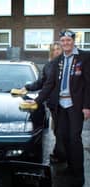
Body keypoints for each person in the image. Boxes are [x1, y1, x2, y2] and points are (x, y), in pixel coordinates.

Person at [31, 29, 90, 187]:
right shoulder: (58, 61)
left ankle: (78, 174)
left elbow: (88, 83)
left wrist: (87, 106)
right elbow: (49, 84)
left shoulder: (84, 57)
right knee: (63, 137)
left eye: (68, 40)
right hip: (60, 106)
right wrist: (37, 101)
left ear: (73, 41)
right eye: (63, 41)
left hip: (75, 106)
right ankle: (70, 167)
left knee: (74, 139)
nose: (65, 43)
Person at [23, 42, 64, 163]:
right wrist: (27, 87)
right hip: (53, 104)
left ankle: (61, 155)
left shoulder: (66, 64)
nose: (56, 51)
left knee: (63, 131)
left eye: (58, 49)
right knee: (58, 130)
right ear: (51, 52)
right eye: (54, 49)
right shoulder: (48, 66)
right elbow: (41, 83)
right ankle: (60, 155)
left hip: (66, 103)